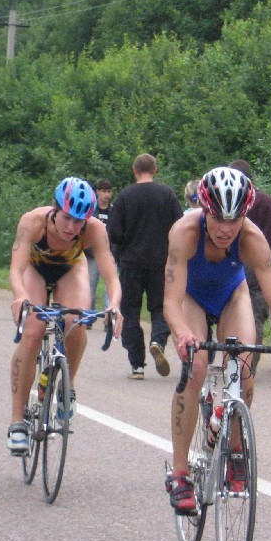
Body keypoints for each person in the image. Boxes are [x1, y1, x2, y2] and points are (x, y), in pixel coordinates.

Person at [162, 166, 271, 514]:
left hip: (232, 295)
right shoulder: (184, 232)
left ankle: (235, 452)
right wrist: (183, 334)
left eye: (234, 220)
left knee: (242, 365)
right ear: (204, 209)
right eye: (217, 218)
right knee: (196, 366)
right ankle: (180, 473)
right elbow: (170, 302)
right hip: (191, 297)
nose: (225, 229)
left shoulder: (253, 239)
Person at [6, 176, 124, 454]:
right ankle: (17, 421)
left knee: (76, 322)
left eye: (79, 221)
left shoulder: (94, 229)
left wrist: (115, 304)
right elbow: (16, 269)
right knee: (33, 331)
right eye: (67, 218)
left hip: (70, 269)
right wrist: (20, 296)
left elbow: (110, 274)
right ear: (55, 210)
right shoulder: (32, 222)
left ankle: (66, 388)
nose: (72, 227)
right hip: (35, 269)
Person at [107, 153, 183, 380]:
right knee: (161, 307)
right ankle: (157, 340)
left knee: (130, 311)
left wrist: (124, 245)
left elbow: (114, 233)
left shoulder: (124, 196)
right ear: (155, 170)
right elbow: (180, 226)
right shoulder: (167, 194)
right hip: (161, 262)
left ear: (134, 170)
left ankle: (137, 365)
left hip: (131, 263)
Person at [228, 159, 271, 374]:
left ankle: (232, 361)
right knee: (256, 315)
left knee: (231, 311)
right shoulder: (268, 202)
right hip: (261, 265)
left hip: (235, 262)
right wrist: (270, 261)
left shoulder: (234, 199)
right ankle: (250, 365)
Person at [86, 178, 115, 323]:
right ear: (97, 192)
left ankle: (109, 319)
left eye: (109, 191)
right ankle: (88, 316)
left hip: (109, 254)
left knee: (111, 288)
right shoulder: (90, 209)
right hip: (91, 255)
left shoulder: (114, 210)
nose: (106, 194)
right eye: (104, 191)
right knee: (89, 287)